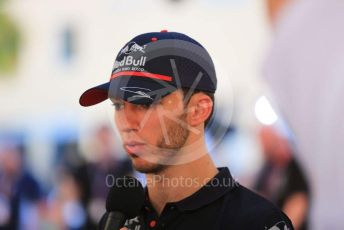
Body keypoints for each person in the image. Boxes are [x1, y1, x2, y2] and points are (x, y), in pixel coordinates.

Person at [79, 30, 294, 230]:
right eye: (118, 105)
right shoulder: (120, 221)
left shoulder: (258, 222)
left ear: (198, 110)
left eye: (144, 104)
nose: (126, 122)